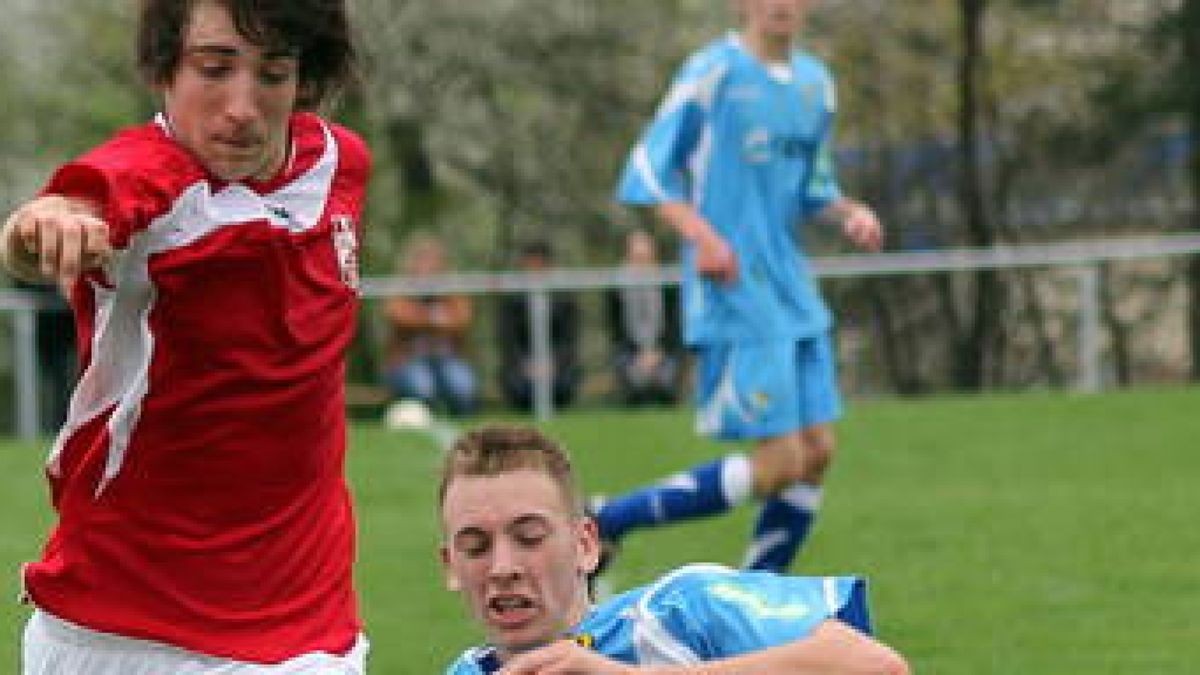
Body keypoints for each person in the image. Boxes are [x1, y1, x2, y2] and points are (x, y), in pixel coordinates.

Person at [1, 1, 370, 671]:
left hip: (306, 634)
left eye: (273, 74)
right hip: (122, 631)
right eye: (214, 68)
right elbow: (67, 211)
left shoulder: (340, 164)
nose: (242, 106)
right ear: (164, 71)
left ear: (304, 79)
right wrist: (44, 226)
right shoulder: (147, 178)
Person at [600, 0, 884, 573]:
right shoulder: (713, 72)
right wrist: (703, 237)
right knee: (779, 461)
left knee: (817, 452)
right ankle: (608, 519)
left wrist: (850, 212)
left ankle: (759, 591)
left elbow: (814, 187)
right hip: (733, 287)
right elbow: (648, 172)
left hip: (791, 286)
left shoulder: (815, 83)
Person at [438, 424, 910, 674]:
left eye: (529, 537)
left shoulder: (685, 609)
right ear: (451, 567)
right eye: (476, 547)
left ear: (586, 545)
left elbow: (876, 667)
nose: (503, 568)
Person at [382, 233, 479, 416]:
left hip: (448, 359)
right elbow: (397, 316)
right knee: (422, 387)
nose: (427, 268)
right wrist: (435, 319)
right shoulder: (402, 288)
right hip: (409, 360)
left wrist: (422, 320)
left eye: (433, 262)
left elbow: (462, 320)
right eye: (422, 262)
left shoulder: (452, 290)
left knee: (463, 385)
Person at [496, 240, 582, 411]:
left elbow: (569, 338)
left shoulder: (564, 298)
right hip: (523, 365)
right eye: (530, 264)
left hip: (556, 364)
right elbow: (508, 339)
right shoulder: (512, 299)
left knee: (565, 382)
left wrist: (553, 363)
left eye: (540, 264)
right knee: (517, 385)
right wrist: (527, 365)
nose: (535, 269)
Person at [604, 229, 682, 406]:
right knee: (635, 380)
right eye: (636, 256)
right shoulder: (616, 287)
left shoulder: (668, 284)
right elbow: (616, 330)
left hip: (662, 350)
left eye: (645, 256)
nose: (641, 262)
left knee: (666, 378)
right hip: (631, 352)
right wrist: (639, 353)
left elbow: (674, 326)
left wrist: (658, 352)